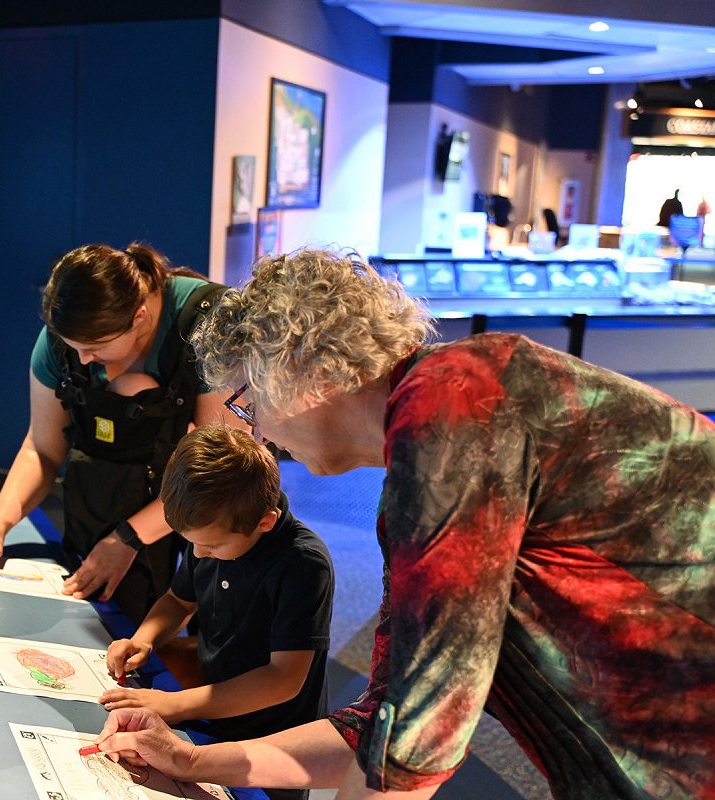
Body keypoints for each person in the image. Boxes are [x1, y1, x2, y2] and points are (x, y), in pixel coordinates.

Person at [92, 248, 715, 799]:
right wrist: (194, 759)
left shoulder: (455, 411)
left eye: (249, 400)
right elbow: (385, 720)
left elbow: (416, 744)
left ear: (308, 375)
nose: (255, 430)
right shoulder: (423, 456)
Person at [0, 242, 240, 623]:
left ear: (140, 317)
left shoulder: (208, 328)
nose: (84, 360)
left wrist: (128, 538)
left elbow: (220, 474)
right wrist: (0, 520)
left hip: (207, 517)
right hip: (99, 507)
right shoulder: (66, 338)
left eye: (95, 349)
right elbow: (42, 448)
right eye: (75, 349)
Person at [102, 424, 333, 800]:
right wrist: (143, 639)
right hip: (211, 716)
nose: (197, 555)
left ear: (264, 523)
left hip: (271, 746)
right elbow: (178, 602)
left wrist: (174, 704)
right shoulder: (214, 532)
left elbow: (283, 680)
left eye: (208, 546)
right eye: (190, 543)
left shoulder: (303, 564)